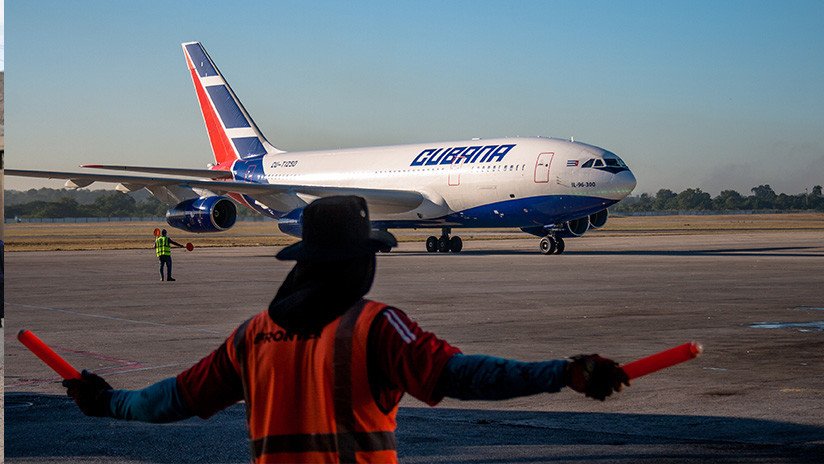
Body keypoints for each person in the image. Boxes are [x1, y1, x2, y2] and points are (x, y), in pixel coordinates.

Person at [65, 196, 629, 463]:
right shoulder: (376, 328)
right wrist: (564, 373)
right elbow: (466, 376)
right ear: (361, 262)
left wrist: (107, 402)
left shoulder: (252, 337)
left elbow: (171, 400)